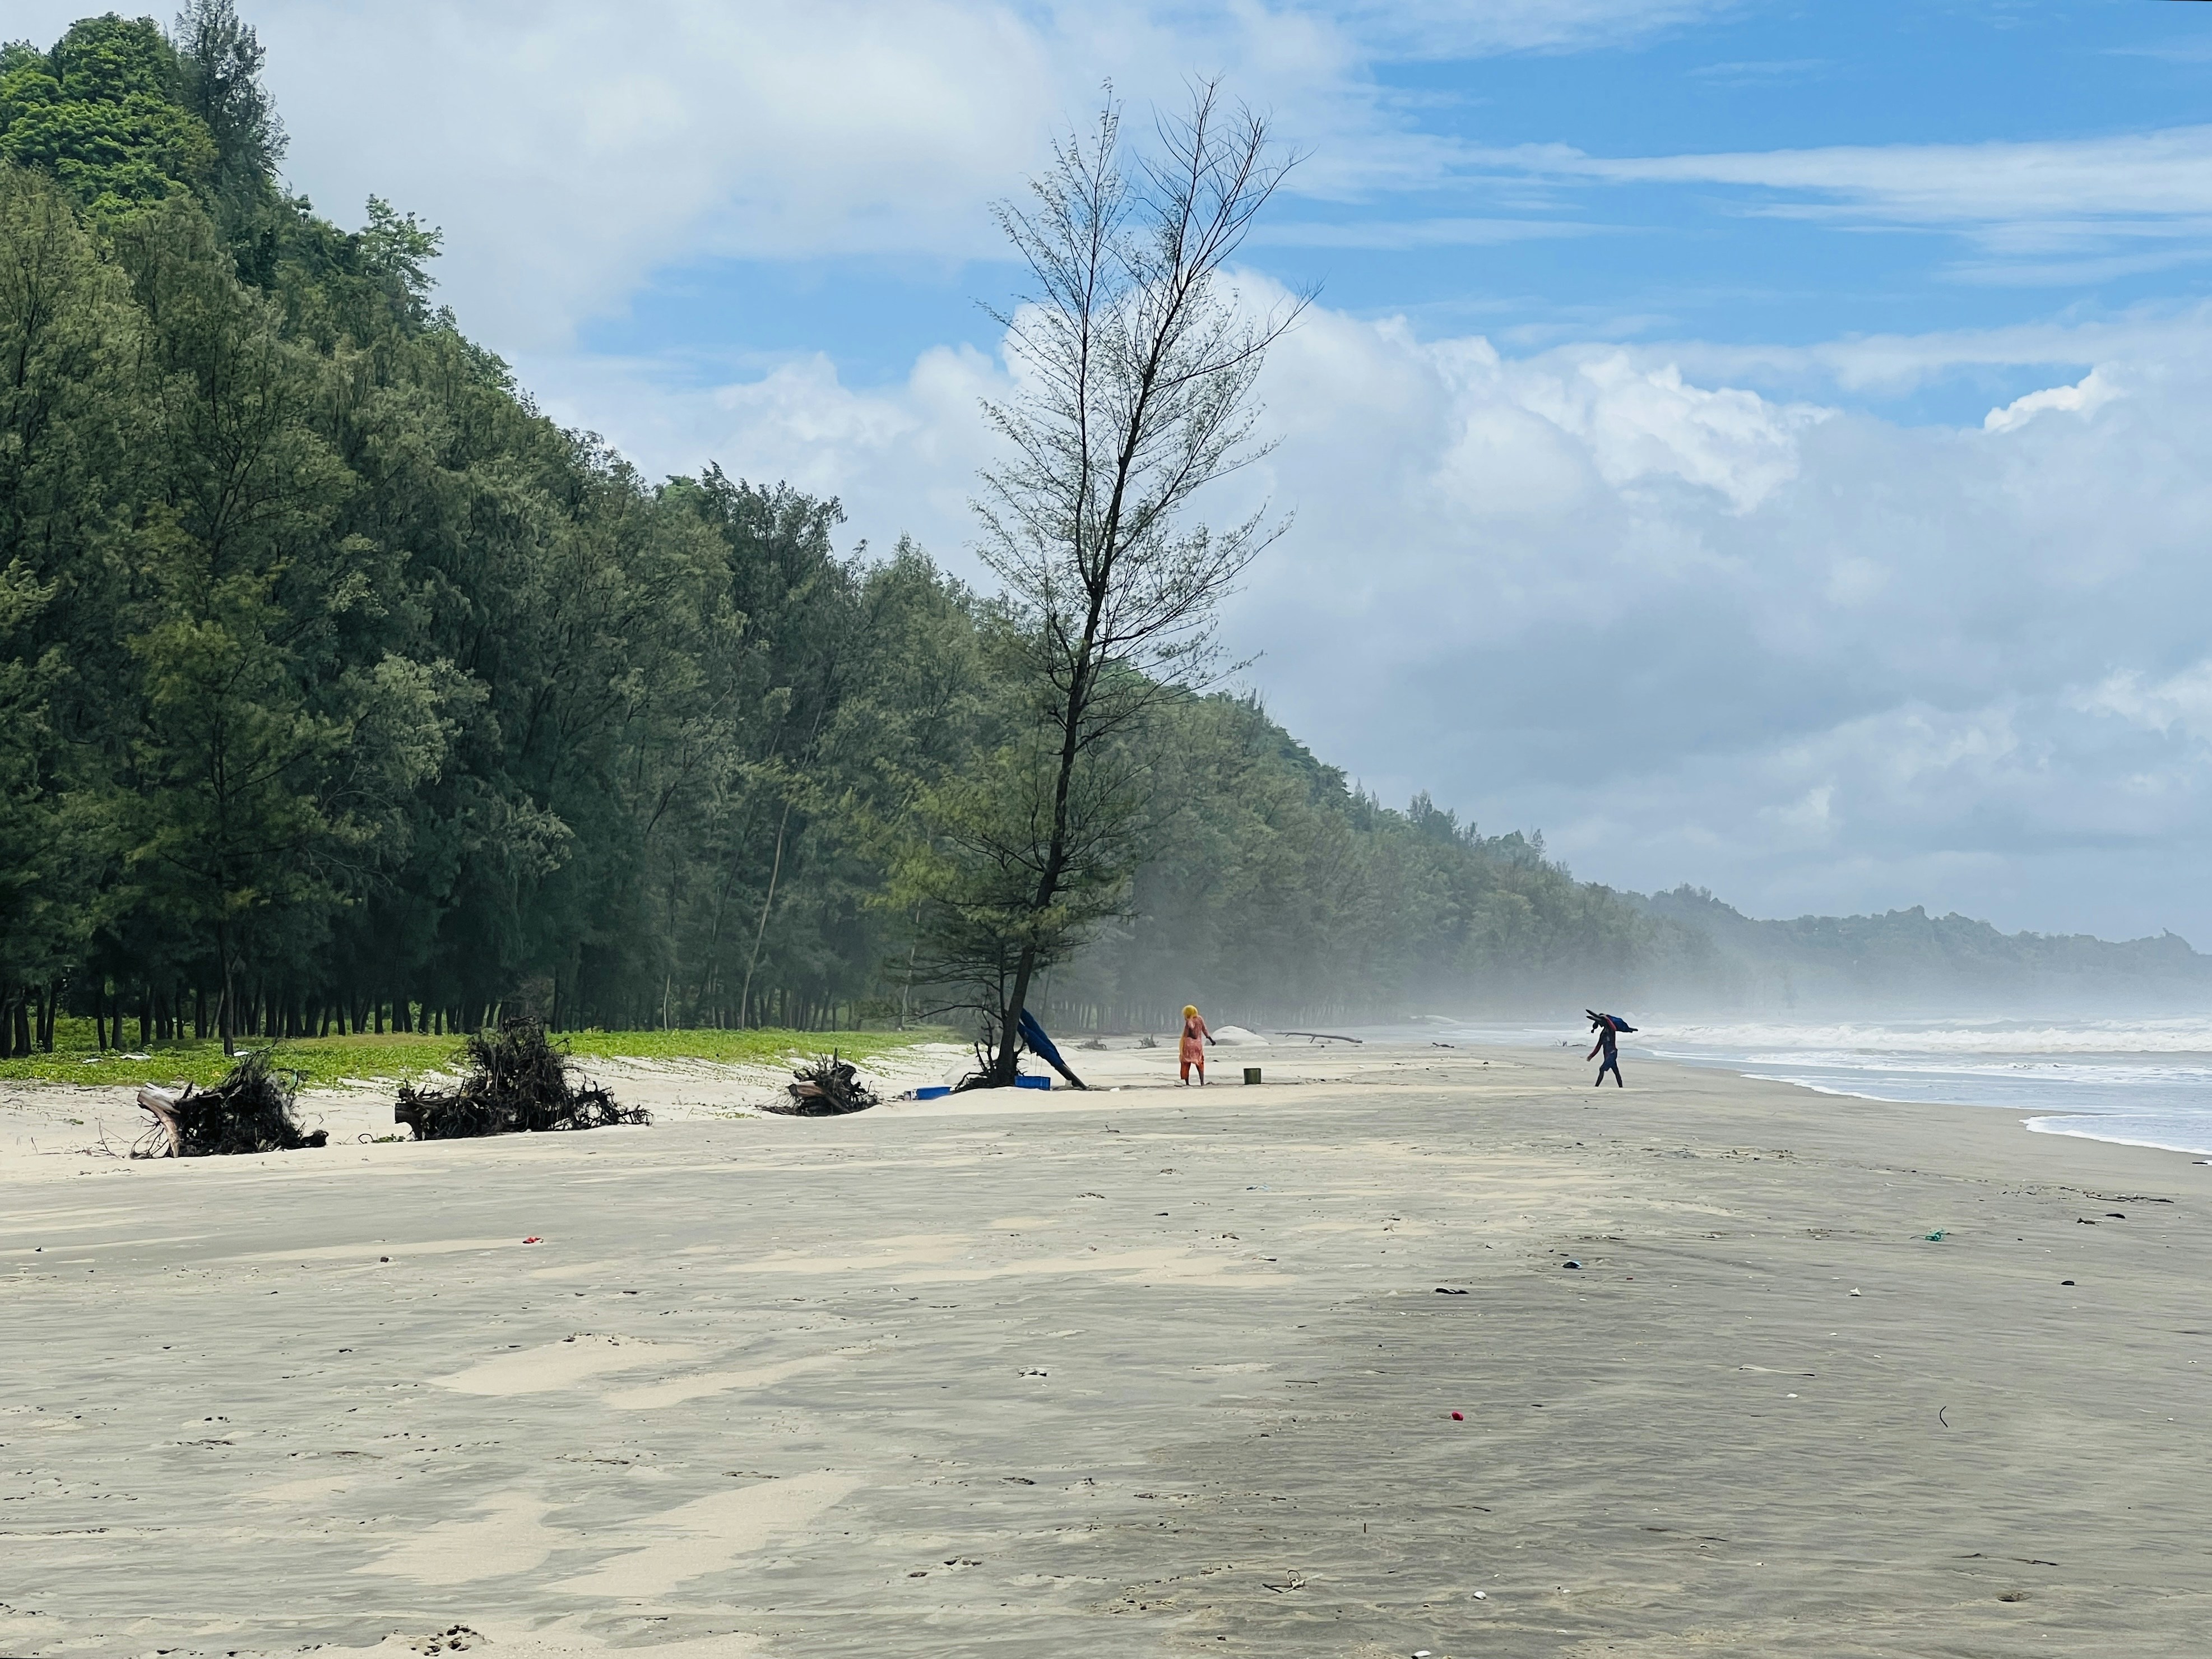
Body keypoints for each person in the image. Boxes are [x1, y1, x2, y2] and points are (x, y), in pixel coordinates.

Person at [1179, 1004, 1214, 1085]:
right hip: (1198, 1045)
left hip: (1188, 1045)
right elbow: (1204, 1030)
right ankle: (1202, 1082)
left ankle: (1187, 1083)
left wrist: (1189, 1021)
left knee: (1185, 1064)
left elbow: (1191, 1030)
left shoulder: (1189, 1021)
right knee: (1200, 1062)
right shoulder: (1200, 1019)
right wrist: (1211, 1040)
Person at [1587, 1014, 1624, 1087]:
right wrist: (1591, 1055)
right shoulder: (1603, 1034)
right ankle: (1621, 1087)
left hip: (1612, 1054)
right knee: (1616, 1071)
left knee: (1602, 1069)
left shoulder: (1611, 1030)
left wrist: (1607, 1019)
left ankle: (1596, 1087)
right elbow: (1598, 1046)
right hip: (1607, 1055)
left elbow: (1614, 1028)